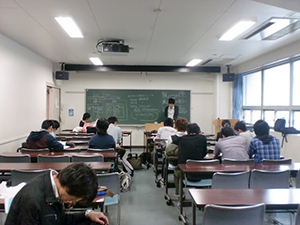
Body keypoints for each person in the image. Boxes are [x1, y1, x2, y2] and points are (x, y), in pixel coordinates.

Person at [5, 163, 109, 225]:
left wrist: (88, 214)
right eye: (75, 200)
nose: (72, 203)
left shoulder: (53, 185)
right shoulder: (32, 200)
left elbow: (59, 219)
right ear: (68, 188)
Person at [173, 123, 207, 195]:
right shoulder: (203, 138)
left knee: (176, 171)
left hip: (185, 171)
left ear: (187, 132)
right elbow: (204, 153)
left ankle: (179, 193)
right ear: (199, 131)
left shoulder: (182, 139)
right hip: (200, 170)